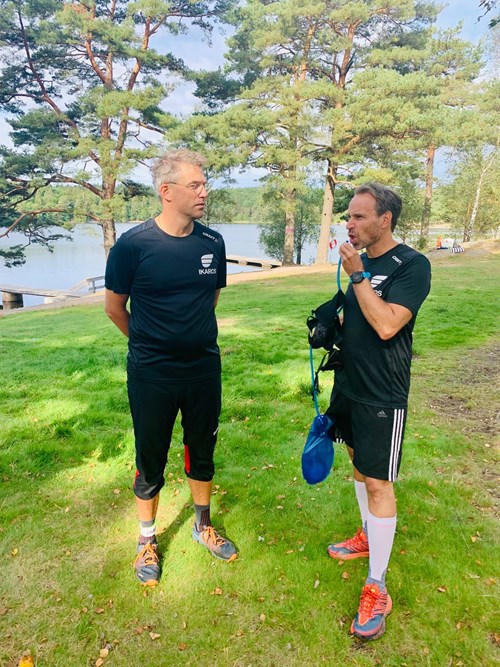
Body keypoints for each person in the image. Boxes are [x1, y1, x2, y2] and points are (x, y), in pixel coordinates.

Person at [104, 148, 237, 587]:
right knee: (151, 455)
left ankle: (203, 525)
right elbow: (114, 308)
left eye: (204, 184)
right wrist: (149, 342)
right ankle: (146, 539)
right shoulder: (133, 245)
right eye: (195, 185)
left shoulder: (212, 243)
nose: (204, 192)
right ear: (167, 191)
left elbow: (209, 299)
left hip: (203, 369)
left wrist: (188, 337)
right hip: (152, 373)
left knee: (202, 449)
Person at [324, 182, 431, 640]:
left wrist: (357, 278)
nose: (349, 224)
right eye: (348, 216)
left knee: (379, 481)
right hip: (349, 385)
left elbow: (388, 325)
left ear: (385, 220)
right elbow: (361, 319)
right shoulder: (361, 262)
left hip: (382, 394)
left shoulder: (412, 265)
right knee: (356, 461)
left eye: (359, 216)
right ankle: (367, 534)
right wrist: (331, 325)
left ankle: (377, 586)